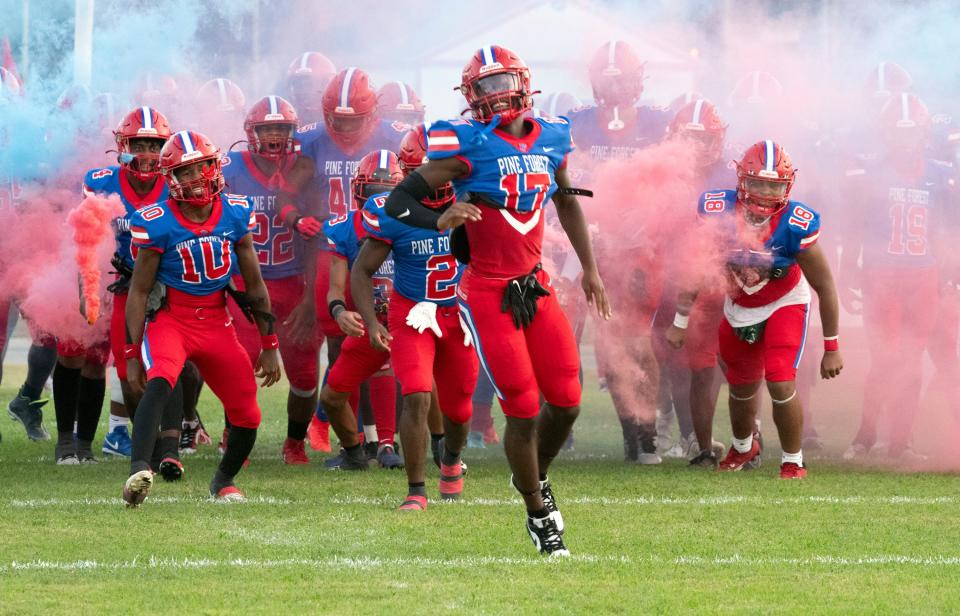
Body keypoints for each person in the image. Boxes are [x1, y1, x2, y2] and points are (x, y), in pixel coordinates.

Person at [384, 45, 610, 556]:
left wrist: (591, 270)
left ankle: (532, 476)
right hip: (486, 292)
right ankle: (538, 511)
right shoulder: (465, 142)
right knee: (524, 409)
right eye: (485, 86)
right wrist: (437, 218)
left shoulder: (553, 135)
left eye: (503, 81)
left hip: (536, 282)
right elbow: (400, 200)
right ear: (471, 96)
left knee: (569, 403)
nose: (497, 94)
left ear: (525, 81)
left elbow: (567, 201)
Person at [666, 140, 844, 479]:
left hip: (784, 301)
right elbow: (698, 268)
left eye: (773, 184)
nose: (764, 192)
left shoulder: (796, 222)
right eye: (757, 182)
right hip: (739, 304)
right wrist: (680, 319)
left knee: (779, 379)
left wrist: (832, 346)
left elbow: (825, 285)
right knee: (741, 384)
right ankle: (744, 447)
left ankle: (793, 459)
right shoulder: (717, 211)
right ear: (741, 180)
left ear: (787, 186)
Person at [122, 130, 280, 506]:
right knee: (161, 378)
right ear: (170, 178)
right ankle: (138, 473)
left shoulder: (236, 211)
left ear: (215, 166)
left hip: (216, 321)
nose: (197, 177)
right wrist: (131, 354)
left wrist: (270, 343)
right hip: (172, 319)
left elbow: (255, 285)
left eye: (203, 166)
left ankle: (223, 480)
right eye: (186, 171)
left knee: (248, 410)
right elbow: (139, 291)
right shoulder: (157, 221)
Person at [353, 125, 478, 508]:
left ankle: (451, 462)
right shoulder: (392, 211)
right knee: (417, 395)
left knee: (458, 408)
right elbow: (361, 270)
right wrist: (372, 323)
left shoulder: (479, 200)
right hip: (412, 313)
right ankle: (416, 489)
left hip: (458, 315)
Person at [840, 94, 957, 461]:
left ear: (923, 132)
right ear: (885, 134)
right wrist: (848, 270)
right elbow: (855, 225)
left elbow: (949, 229)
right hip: (882, 274)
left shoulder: (941, 173)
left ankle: (901, 441)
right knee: (886, 358)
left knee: (912, 357)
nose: (905, 141)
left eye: (911, 133)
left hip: (924, 275)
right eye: (898, 133)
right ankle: (866, 434)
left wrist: (951, 273)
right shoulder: (869, 169)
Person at [221, 95, 321, 465]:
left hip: (293, 281)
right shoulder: (229, 169)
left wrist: (311, 297)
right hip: (245, 282)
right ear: (251, 132)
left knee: (306, 372)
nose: (276, 136)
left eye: (283, 128)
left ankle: (295, 441)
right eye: (268, 128)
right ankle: (234, 436)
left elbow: (316, 240)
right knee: (240, 361)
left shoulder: (306, 169)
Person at [317, 149, 402, 470]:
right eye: (372, 191)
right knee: (339, 387)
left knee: (419, 383)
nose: (379, 199)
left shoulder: (413, 222)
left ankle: (394, 445)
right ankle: (360, 447)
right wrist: (339, 311)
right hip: (365, 314)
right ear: (357, 191)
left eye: (387, 192)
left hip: (405, 312)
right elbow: (336, 286)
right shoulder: (343, 228)